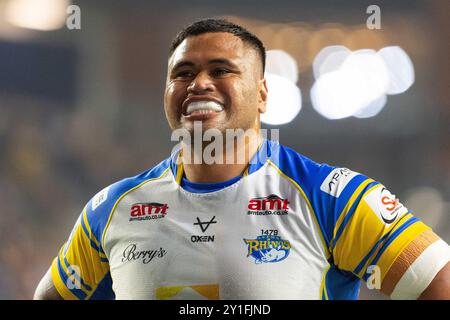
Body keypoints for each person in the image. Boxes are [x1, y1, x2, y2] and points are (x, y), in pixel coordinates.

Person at [34, 18, 450, 300]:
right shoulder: (110, 209)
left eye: (221, 70)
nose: (199, 83)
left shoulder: (333, 199)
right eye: (182, 73)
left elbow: (438, 283)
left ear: (263, 94)